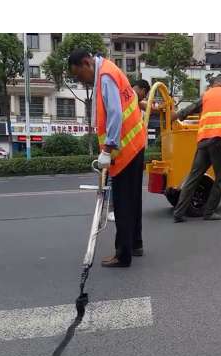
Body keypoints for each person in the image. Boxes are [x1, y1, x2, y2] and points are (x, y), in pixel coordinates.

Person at [68, 49, 146, 268]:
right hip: (135, 144)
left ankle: (123, 255)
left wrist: (107, 149)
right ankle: (135, 245)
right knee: (133, 200)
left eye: (78, 75)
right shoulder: (109, 70)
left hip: (125, 150)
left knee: (122, 203)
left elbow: (115, 114)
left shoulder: (105, 76)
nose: (79, 80)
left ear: (86, 63)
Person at [171, 75, 221, 222]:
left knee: (193, 177)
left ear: (215, 84)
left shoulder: (207, 95)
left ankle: (178, 213)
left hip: (203, 141)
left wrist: (174, 116)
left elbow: (189, 109)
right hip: (218, 141)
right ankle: (209, 212)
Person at [107, 78, 151, 222]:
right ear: (143, 90)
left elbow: (142, 105)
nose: (143, 98)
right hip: (118, 145)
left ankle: (117, 208)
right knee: (115, 179)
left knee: (117, 179)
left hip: (120, 145)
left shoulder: (128, 96)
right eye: (144, 95)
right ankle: (113, 209)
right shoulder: (128, 96)